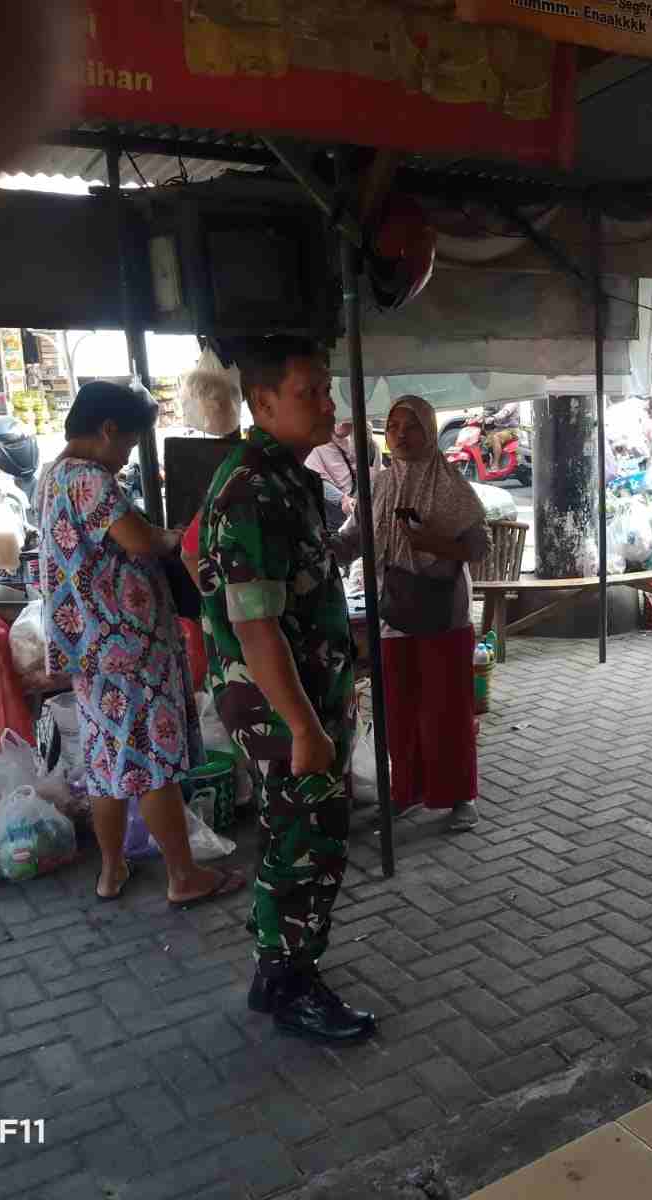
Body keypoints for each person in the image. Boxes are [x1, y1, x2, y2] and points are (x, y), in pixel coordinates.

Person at [198, 337, 376, 1045]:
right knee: (309, 838)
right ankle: (291, 983)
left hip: (305, 692)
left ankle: (280, 967)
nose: (328, 404)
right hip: (280, 703)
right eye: (312, 391)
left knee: (296, 832)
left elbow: (294, 581)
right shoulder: (251, 488)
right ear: (263, 402)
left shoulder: (287, 477)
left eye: (329, 390)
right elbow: (258, 628)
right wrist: (305, 727)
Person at [39, 381, 245, 908]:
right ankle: (183, 875)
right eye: (129, 442)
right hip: (126, 647)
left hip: (91, 649)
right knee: (152, 763)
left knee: (109, 765)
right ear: (108, 430)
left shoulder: (54, 474)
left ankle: (111, 871)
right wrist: (177, 536)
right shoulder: (89, 479)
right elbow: (137, 539)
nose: (128, 453)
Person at [336, 395, 489, 832]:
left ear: (429, 430)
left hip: (444, 612)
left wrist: (430, 542)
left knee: (448, 708)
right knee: (398, 710)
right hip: (393, 612)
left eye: (412, 426)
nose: (401, 434)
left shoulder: (450, 485)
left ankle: (459, 797)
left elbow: (477, 548)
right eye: (395, 426)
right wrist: (323, 547)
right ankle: (406, 792)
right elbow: (354, 537)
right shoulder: (379, 486)